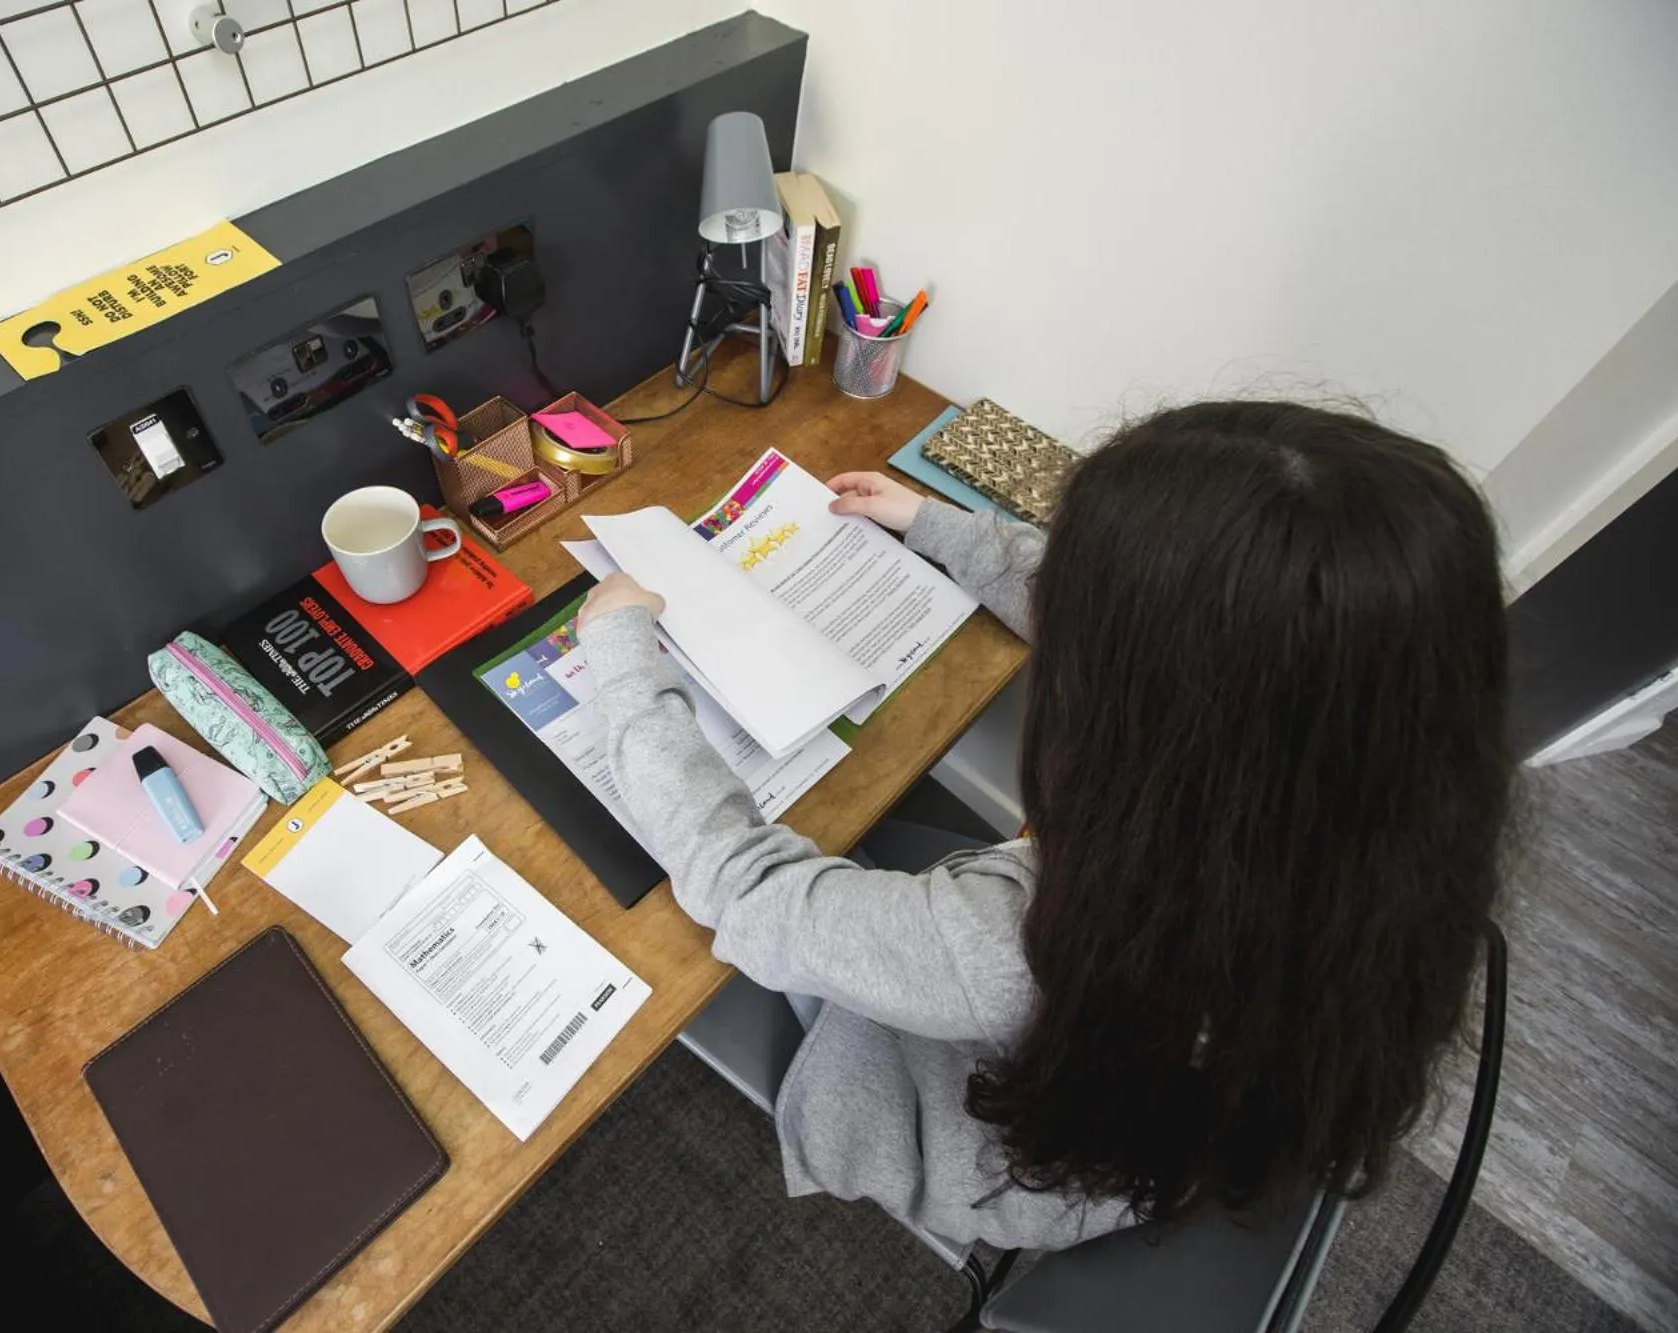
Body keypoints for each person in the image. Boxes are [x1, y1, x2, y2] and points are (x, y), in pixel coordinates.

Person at [572, 401, 1511, 1250]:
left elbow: (745, 887)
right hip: (1182, 1122)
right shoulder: (1390, 827)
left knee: (729, 929)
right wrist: (941, 530)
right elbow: (1179, 620)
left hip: (1013, 1167)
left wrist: (620, 660)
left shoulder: (1016, 943)